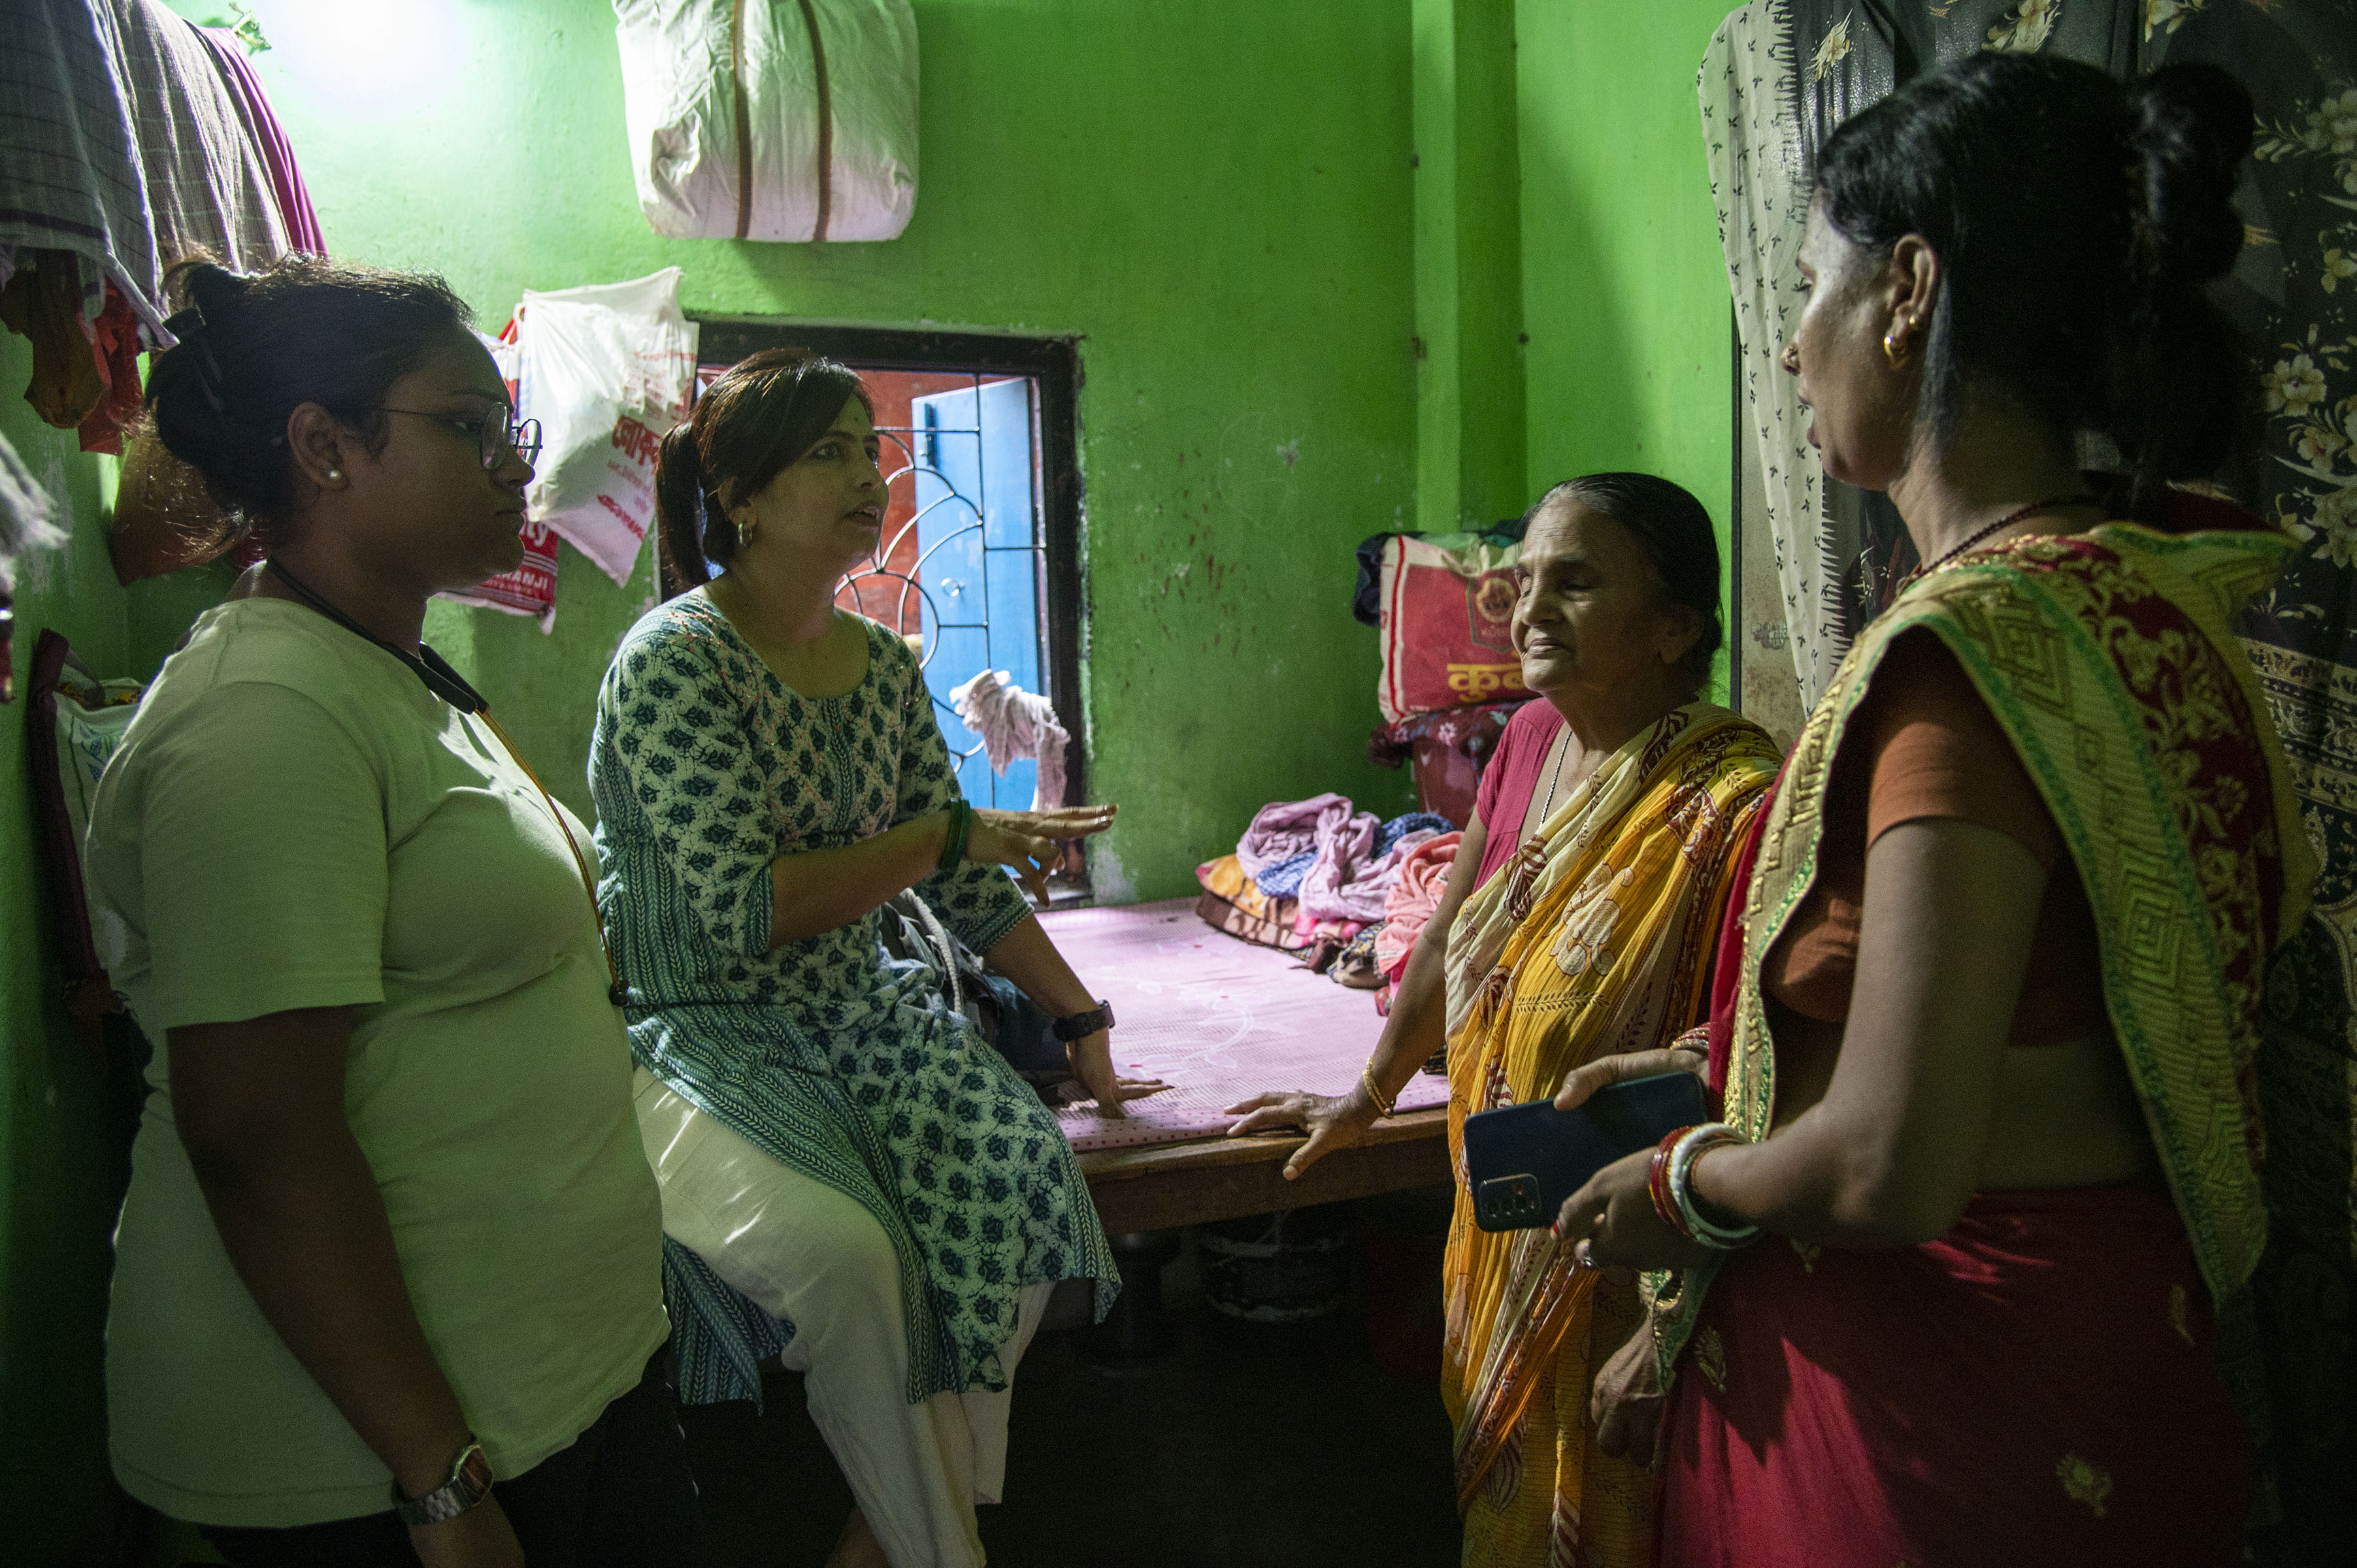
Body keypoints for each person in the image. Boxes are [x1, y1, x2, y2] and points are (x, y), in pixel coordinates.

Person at [1553, 55, 2301, 1567]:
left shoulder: (1971, 659)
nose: (1786, 348)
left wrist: (1683, 1180)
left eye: (1810, 287)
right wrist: (1720, 1052)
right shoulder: (2155, 610)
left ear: (1907, 291)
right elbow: (2044, 1014)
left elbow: (1891, 1157)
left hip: (1937, 1399)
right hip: (2110, 1346)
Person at [88, 256, 702, 1567]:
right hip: (370, 1464)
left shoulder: (390, 672)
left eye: (510, 429)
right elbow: (260, 1133)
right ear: (323, 448)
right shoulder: (263, 720)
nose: (510, 464)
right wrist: (438, 1482)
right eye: (468, 427)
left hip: (553, 1379)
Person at [593, 348, 1161, 1568]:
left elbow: (955, 878)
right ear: (739, 496)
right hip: (707, 1031)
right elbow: (751, 907)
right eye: (828, 453)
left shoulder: (885, 666)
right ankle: (940, 1551)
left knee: (1024, 1195)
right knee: (857, 1264)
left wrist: (1081, 1015)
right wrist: (938, 834)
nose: (870, 474)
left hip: (868, 1014)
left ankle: (885, 1536)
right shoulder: (675, 661)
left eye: (869, 446)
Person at [1226, 474, 1779, 1567]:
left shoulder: (1738, 802)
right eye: (1526, 582)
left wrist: (1672, 1331)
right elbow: (1448, 938)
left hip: (1644, 1253)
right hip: (1506, 1228)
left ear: (1677, 627)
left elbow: (1756, 1069)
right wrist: (1368, 1094)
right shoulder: (1529, 739)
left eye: (1575, 583)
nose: (1531, 611)